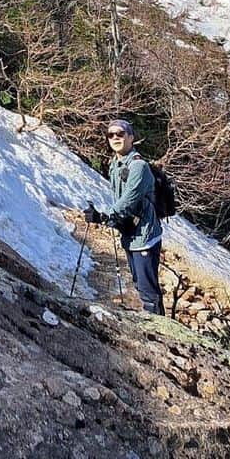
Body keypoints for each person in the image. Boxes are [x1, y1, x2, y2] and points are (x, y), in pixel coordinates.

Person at [83, 118, 165, 314]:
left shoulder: (139, 167)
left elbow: (129, 199)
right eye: (110, 135)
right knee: (139, 283)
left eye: (120, 133)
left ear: (131, 137)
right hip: (131, 232)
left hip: (145, 236)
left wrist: (104, 217)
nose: (115, 138)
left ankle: (162, 331)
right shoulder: (116, 164)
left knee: (147, 289)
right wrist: (112, 219)